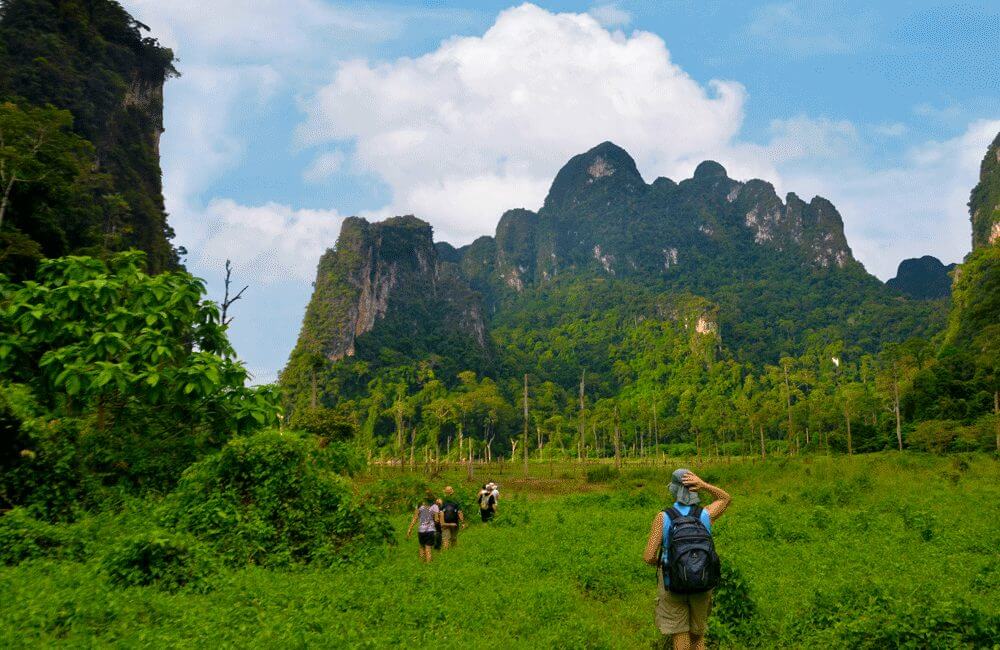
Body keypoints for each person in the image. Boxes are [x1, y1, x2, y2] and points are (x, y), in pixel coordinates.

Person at [643, 469, 732, 650]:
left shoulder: (663, 517)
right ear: (694, 489)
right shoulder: (705, 514)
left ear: (674, 490)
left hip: (673, 584)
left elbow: (649, 556)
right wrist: (704, 484)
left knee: (681, 634)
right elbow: (725, 499)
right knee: (698, 637)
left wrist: (666, 563)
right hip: (702, 581)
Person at [406, 490, 440, 563]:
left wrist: (409, 529)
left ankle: (421, 563)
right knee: (428, 548)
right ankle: (428, 565)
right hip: (430, 530)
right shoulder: (435, 506)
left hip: (421, 530)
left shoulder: (419, 506)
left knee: (421, 547)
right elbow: (437, 520)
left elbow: (415, 518)